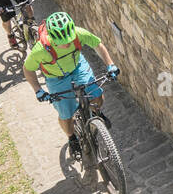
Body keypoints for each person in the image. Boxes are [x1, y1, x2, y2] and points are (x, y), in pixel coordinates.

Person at [23, 11, 119, 157]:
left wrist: (110, 65)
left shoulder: (78, 33)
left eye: (69, 40)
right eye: (62, 43)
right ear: (53, 38)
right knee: (66, 113)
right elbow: (28, 69)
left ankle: (96, 114)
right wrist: (38, 90)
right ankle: (72, 138)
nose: (67, 44)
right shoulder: (40, 50)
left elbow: (98, 45)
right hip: (56, 77)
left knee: (97, 94)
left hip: (77, 66)